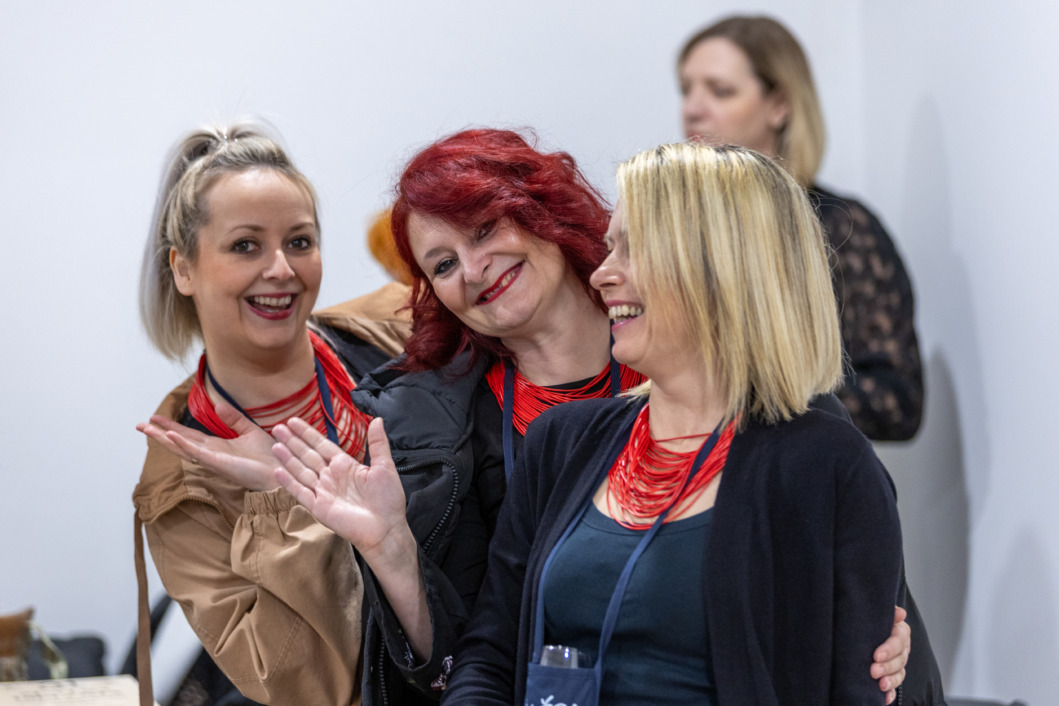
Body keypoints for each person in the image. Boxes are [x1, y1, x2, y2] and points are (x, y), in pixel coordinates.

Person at [255, 129, 912, 704]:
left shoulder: (817, 451)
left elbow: (865, 655)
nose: (474, 270)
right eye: (444, 265)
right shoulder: (540, 438)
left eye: (484, 230)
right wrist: (388, 548)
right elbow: (486, 652)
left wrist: (883, 652)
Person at [434, 142, 901, 704]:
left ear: (722, 266)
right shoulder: (561, 441)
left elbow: (858, 682)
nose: (602, 275)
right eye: (611, 248)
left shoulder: (825, 463)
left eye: (632, 250)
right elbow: (490, 656)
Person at [132, 121, 411, 706]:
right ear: (183, 268)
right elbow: (304, 686)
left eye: (300, 242)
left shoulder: (395, 335)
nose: (282, 269)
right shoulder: (180, 485)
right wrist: (281, 500)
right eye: (246, 246)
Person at [678, 15, 924, 441]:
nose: (692, 109)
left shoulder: (842, 228)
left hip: (797, 472)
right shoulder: (671, 228)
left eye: (720, 90)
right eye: (686, 89)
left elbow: (898, 404)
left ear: (779, 105)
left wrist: (766, 383)